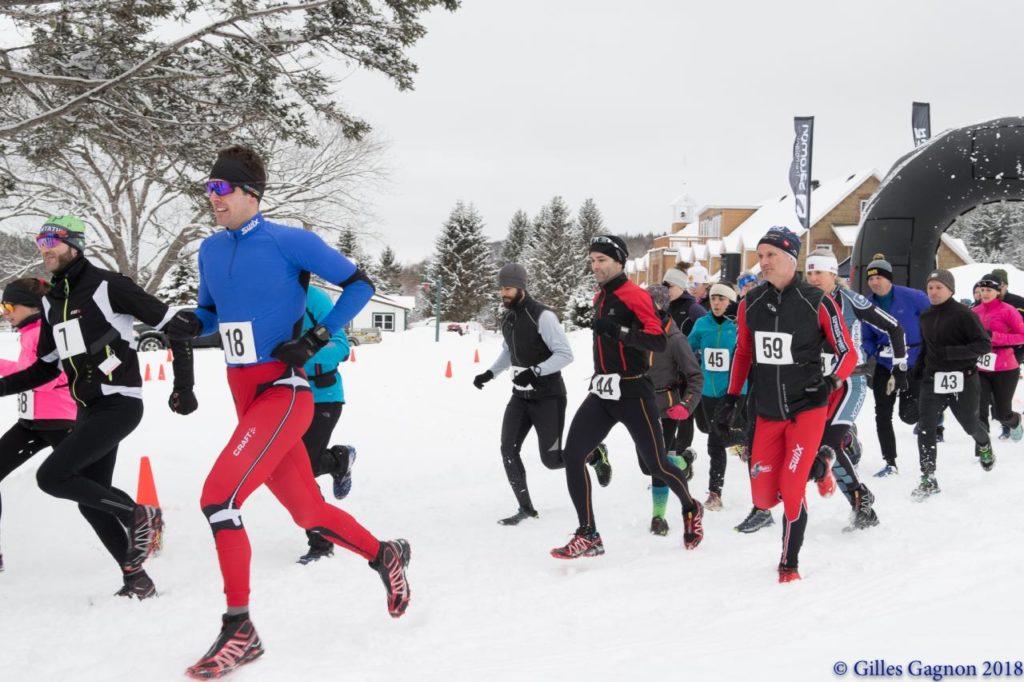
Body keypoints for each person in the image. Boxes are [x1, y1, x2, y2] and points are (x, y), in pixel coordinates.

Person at [175, 145, 411, 679]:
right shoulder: (210, 251)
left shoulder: (288, 241)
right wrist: (192, 323)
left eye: (221, 188)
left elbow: (360, 284)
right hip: (244, 395)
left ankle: (241, 628)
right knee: (308, 514)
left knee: (219, 499)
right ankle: (385, 554)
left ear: (250, 194)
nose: (212, 198)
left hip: (285, 391)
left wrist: (318, 336)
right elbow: (210, 310)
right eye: (208, 189)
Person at [0, 215, 196, 599]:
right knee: (91, 499)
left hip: (120, 403)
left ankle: (138, 514)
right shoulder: (53, 303)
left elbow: (177, 325)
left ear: (75, 244)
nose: (45, 249)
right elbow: (43, 369)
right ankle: (135, 579)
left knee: (52, 477)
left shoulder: (108, 285)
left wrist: (184, 387)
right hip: (87, 409)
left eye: (52, 241)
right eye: (40, 243)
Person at [714, 227, 856, 582]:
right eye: (760, 256)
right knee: (764, 497)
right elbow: (744, 352)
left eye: (770, 256)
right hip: (767, 412)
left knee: (792, 491)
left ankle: (789, 564)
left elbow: (847, 353)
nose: (763, 263)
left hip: (806, 408)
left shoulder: (817, 301)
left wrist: (831, 380)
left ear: (791, 259)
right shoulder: (750, 303)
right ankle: (821, 466)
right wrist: (731, 398)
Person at [550, 235, 703, 559]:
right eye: (592, 260)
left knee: (657, 464)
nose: (596, 266)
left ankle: (691, 508)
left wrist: (617, 331)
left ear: (619, 262)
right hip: (603, 391)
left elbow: (657, 342)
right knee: (574, 454)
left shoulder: (635, 296)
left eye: (602, 260)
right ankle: (588, 533)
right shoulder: (600, 297)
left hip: (634, 391)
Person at [473, 263, 590, 526]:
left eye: (509, 288)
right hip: (520, 397)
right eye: (501, 288)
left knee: (552, 459)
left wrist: (535, 371)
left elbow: (565, 355)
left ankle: (593, 454)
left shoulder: (542, 316)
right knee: (508, 449)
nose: (504, 293)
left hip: (548, 396)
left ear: (522, 287)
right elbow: (508, 351)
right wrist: (490, 374)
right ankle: (526, 508)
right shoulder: (509, 317)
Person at [805, 249, 909, 531]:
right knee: (820, 444)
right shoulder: (801, 301)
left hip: (851, 380)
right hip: (819, 384)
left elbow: (895, 327)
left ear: (832, 275)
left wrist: (899, 366)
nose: (813, 278)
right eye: (809, 273)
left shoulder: (851, 300)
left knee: (828, 443)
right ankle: (860, 500)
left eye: (819, 273)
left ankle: (858, 494)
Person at [0, 278, 77, 572]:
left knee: (89, 487)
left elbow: (52, 376)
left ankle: (138, 519)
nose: (5, 312)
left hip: (59, 421)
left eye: (9, 306)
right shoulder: (28, 333)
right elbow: (25, 373)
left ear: (31, 307)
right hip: (30, 422)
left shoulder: (46, 332)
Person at [911, 269, 994, 499]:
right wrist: (917, 368)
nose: (934, 292)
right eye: (930, 287)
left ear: (950, 289)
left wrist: (952, 353)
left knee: (969, 424)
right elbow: (927, 346)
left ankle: (984, 442)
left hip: (963, 378)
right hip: (933, 379)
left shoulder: (964, 315)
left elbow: (984, 345)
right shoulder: (926, 316)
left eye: (939, 287)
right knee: (926, 426)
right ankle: (928, 476)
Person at [296, 284, 359, 565]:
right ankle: (337, 460)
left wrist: (299, 356)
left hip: (323, 396)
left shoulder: (314, 298)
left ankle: (320, 542)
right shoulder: (267, 298)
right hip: (283, 398)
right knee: (286, 467)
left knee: (303, 470)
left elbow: (340, 346)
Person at [860, 254, 932, 476]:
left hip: (912, 362)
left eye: (879, 277)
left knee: (909, 416)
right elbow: (866, 337)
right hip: (885, 364)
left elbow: (933, 318)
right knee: (882, 413)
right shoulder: (867, 304)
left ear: (889, 278)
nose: (874, 282)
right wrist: (874, 353)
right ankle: (890, 462)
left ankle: (931, 416)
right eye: (870, 279)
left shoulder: (912, 297)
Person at [642, 285, 703, 535]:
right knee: (647, 465)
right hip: (641, 407)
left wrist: (685, 406)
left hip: (667, 408)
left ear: (660, 306)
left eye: (647, 304)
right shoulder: (638, 333)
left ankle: (659, 517)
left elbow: (695, 377)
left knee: (657, 465)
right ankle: (683, 460)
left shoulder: (676, 340)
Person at [687, 282, 744, 511]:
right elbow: (688, 349)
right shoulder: (702, 324)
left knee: (715, 442)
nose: (717, 303)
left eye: (722, 299)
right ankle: (748, 439)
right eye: (713, 299)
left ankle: (715, 494)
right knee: (712, 434)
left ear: (730, 302)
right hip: (707, 392)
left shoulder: (738, 327)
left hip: (733, 393)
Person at [972, 274, 1024, 442]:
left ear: (997, 292)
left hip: (1005, 368)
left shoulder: (1008, 310)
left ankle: (1015, 422)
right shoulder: (974, 311)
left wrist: (994, 337)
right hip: (980, 368)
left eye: (989, 290)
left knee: (1002, 414)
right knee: (979, 410)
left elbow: (1021, 336)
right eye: (982, 289)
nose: (985, 293)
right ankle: (982, 448)